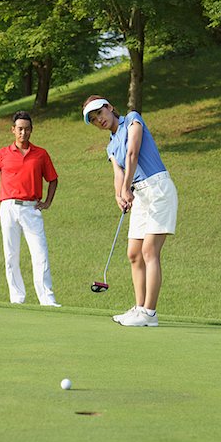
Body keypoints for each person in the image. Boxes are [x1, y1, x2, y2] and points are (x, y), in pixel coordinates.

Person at [82, 96, 178, 326]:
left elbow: (133, 154)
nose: (99, 120)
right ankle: (139, 309)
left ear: (110, 108)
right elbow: (118, 171)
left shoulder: (133, 119)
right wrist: (119, 195)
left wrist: (126, 188)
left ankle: (149, 313)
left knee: (149, 251)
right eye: (94, 120)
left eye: (100, 113)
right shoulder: (111, 144)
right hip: (139, 195)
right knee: (134, 253)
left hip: (157, 189)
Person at [0, 110, 61, 307]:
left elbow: (53, 179)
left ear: (31, 130)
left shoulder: (41, 154)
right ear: (13, 130)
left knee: (40, 253)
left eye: (27, 129)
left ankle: (47, 299)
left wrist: (48, 202)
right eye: (20, 129)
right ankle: (17, 299)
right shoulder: (1, 154)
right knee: (11, 255)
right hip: (8, 207)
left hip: (31, 208)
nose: (23, 133)